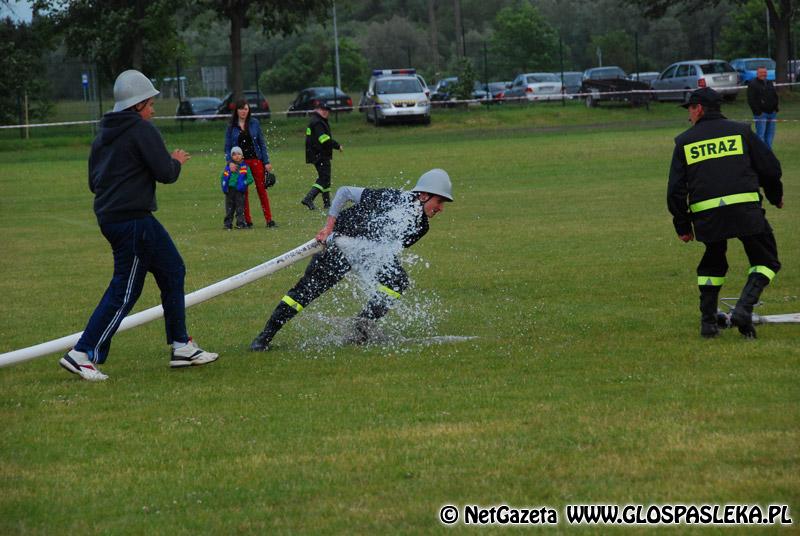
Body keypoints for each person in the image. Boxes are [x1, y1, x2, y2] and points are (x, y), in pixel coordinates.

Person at [59, 69, 218, 381]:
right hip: (131, 220)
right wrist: (177, 161)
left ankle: (181, 344)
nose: (153, 109)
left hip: (118, 218)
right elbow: (165, 173)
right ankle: (82, 353)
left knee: (173, 269)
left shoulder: (102, 135)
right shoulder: (142, 130)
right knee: (125, 290)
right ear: (138, 104)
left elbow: (94, 183)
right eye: (150, 103)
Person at [250, 169, 454, 351]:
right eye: (440, 202)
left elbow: (387, 248)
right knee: (305, 293)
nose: (441, 208)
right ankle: (264, 337)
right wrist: (328, 229)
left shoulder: (421, 227)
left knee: (397, 281)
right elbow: (344, 192)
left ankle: (362, 325)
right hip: (337, 246)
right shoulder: (391, 198)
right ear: (424, 195)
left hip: (367, 254)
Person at [667, 87, 783, 339]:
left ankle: (708, 323)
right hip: (746, 211)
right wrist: (775, 196)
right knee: (766, 261)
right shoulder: (741, 131)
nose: (689, 115)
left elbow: (675, 190)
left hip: (708, 217)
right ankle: (743, 308)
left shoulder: (684, 141)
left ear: (698, 108)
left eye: (690, 109)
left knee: (713, 261)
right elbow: (770, 168)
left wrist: (683, 226)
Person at [224, 99, 276, 227]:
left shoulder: (254, 123)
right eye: (241, 109)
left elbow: (261, 143)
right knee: (243, 192)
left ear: (249, 110)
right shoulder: (231, 126)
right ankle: (247, 220)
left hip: (256, 161)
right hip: (241, 164)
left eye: (246, 109)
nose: (243, 111)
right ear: (237, 111)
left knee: (261, 190)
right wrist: (230, 162)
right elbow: (227, 146)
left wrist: (266, 162)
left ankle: (269, 220)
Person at [301, 101, 343, 211]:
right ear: (317, 109)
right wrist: (337, 145)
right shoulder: (318, 122)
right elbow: (323, 139)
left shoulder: (317, 120)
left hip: (318, 154)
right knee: (324, 178)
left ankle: (327, 204)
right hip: (320, 154)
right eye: (322, 110)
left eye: (327, 110)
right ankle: (309, 198)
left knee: (326, 178)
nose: (325, 112)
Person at [221, 146, 254, 230]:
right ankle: (228, 224)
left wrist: (244, 183)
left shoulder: (245, 167)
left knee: (240, 208)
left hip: (239, 191)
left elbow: (250, 179)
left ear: (242, 156)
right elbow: (223, 177)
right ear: (231, 157)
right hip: (230, 190)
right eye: (234, 154)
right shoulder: (229, 167)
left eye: (239, 154)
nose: (237, 156)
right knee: (229, 208)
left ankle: (240, 223)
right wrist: (224, 186)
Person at [747, 66, 779, 149]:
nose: (763, 74)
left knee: (770, 135)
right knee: (760, 135)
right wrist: (758, 112)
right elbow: (751, 100)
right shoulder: (753, 84)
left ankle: (768, 152)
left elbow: (775, 95)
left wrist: (775, 108)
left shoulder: (769, 82)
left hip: (772, 113)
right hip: (761, 114)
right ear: (757, 73)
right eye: (761, 72)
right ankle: (761, 153)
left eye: (765, 72)